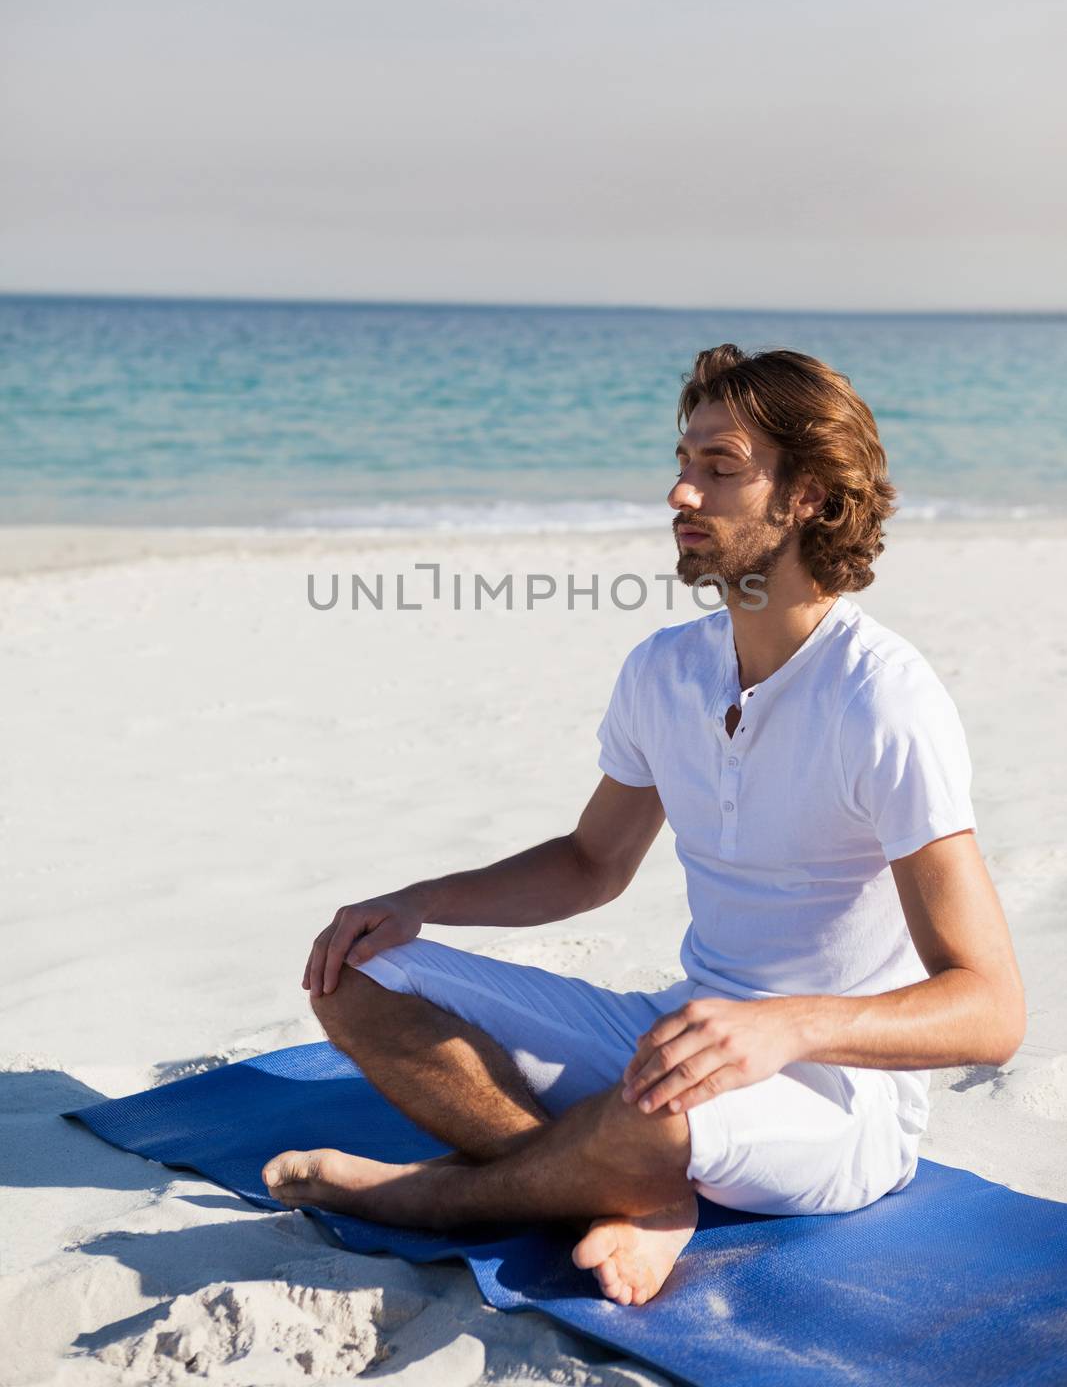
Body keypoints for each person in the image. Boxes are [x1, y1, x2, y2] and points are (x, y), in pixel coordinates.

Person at [263, 344, 1026, 1308]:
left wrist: (785, 1028)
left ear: (808, 499)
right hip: (678, 1033)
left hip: (833, 1097)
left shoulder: (884, 703)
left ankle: (446, 1198)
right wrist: (413, 904)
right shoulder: (665, 670)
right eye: (682, 461)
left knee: (654, 1120)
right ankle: (625, 1190)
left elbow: (992, 1010)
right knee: (355, 970)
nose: (679, 492)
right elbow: (590, 863)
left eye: (720, 468)